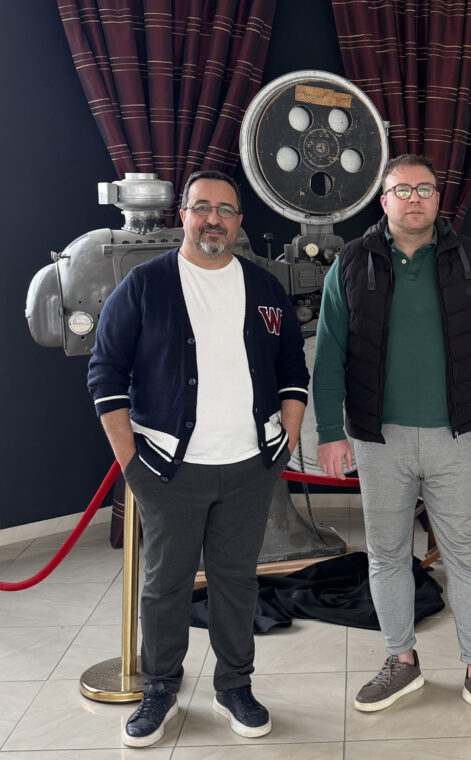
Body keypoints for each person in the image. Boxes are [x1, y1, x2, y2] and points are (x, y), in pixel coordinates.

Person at [88, 170, 309, 747]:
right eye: (202, 207)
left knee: (236, 581)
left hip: (250, 468)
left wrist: (286, 438)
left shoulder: (264, 288)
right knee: (165, 584)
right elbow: (105, 373)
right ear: (182, 215)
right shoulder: (144, 285)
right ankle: (160, 687)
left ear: (239, 221)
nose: (214, 219)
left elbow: (292, 368)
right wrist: (130, 460)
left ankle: (235, 686)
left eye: (226, 210)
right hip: (167, 470)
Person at [314, 154, 471, 730]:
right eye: (401, 190)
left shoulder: (470, 260)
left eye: (424, 189)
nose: (414, 199)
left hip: (456, 436)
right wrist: (330, 433)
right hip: (378, 439)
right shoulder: (351, 263)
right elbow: (329, 354)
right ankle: (400, 660)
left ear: (437, 198)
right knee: (386, 555)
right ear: (383, 201)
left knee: (466, 559)